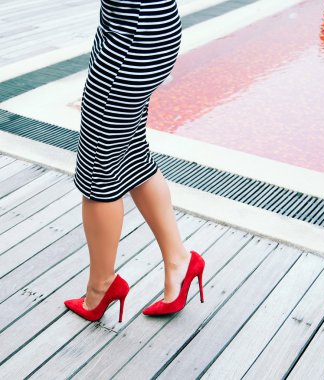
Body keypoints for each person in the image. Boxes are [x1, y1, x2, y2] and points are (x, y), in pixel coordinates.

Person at [64, 0, 205, 322]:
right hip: (144, 28)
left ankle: (100, 287)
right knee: (131, 154)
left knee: (98, 170)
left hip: (131, 35)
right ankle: (179, 261)